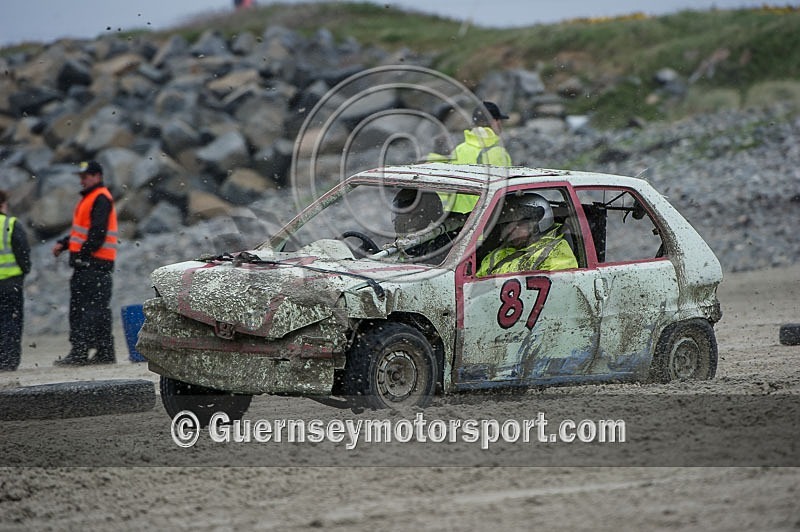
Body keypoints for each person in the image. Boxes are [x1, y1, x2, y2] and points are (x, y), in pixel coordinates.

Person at [53, 161, 119, 366]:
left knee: (85, 311)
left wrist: (82, 254)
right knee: (96, 310)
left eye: (85, 176)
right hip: (94, 264)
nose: (81, 181)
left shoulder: (99, 198)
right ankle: (104, 352)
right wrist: (64, 244)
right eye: (81, 177)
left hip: (93, 264)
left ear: (97, 176)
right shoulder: (91, 198)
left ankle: (81, 352)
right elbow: (80, 233)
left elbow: (97, 233)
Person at [477, 194, 577, 277]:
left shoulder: (556, 251)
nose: (510, 231)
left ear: (537, 225)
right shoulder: (497, 254)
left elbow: (561, 288)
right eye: (506, 225)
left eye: (517, 225)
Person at [441, 101, 513, 213]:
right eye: (499, 120)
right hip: (481, 219)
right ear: (494, 121)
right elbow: (503, 192)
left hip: (456, 219)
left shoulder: (459, 149)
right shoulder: (497, 152)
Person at [0, 189, 31, 371]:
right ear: (4, 204)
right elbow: (23, 253)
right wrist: (23, 271)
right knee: (11, 322)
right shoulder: (10, 224)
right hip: (11, 283)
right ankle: (9, 361)